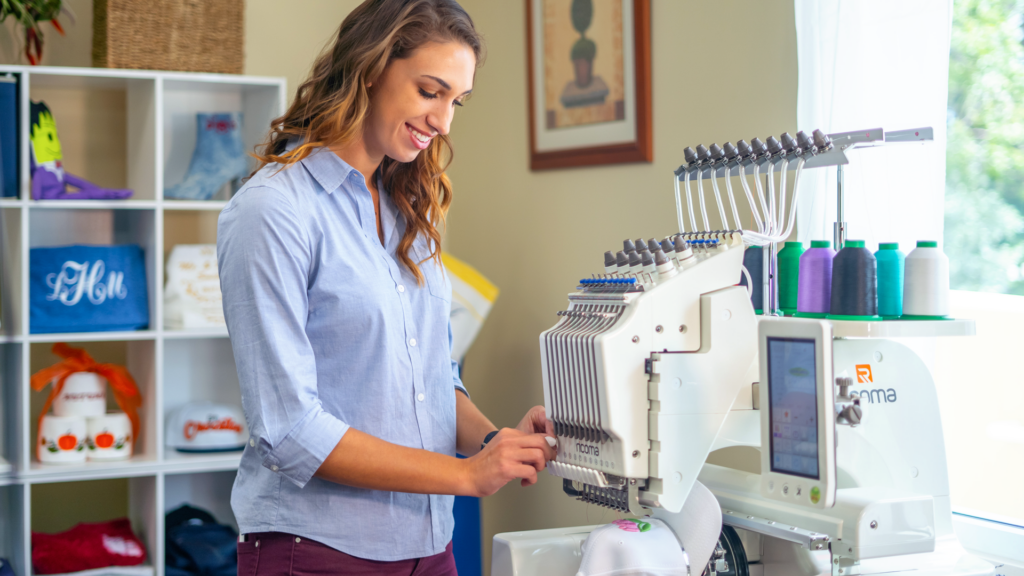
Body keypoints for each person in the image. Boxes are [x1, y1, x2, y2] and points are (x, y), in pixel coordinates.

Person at [216, 1, 555, 574]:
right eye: (430, 91)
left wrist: (495, 443)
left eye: (457, 102)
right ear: (371, 68)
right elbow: (289, 430)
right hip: (317, 552)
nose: (445, 121)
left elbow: (432, 380)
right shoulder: (274, 210)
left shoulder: (410, 210)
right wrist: (468, 475)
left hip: (429, 546)